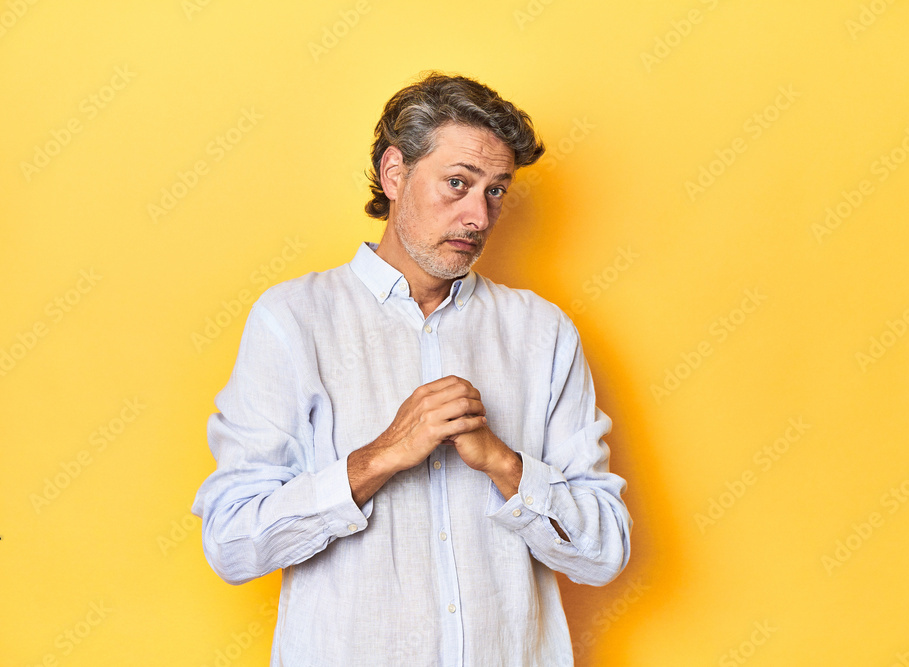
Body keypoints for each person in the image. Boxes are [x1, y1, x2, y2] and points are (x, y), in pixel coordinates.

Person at [191, 71, 632, 667]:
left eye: (497, 191)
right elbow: (233, 542)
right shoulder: (293, 319)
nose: (478, 215)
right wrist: (381, 457)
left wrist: (504, 464)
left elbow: (604, 552)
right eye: (458, 183)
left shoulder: (542, 332)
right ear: (394, 173)